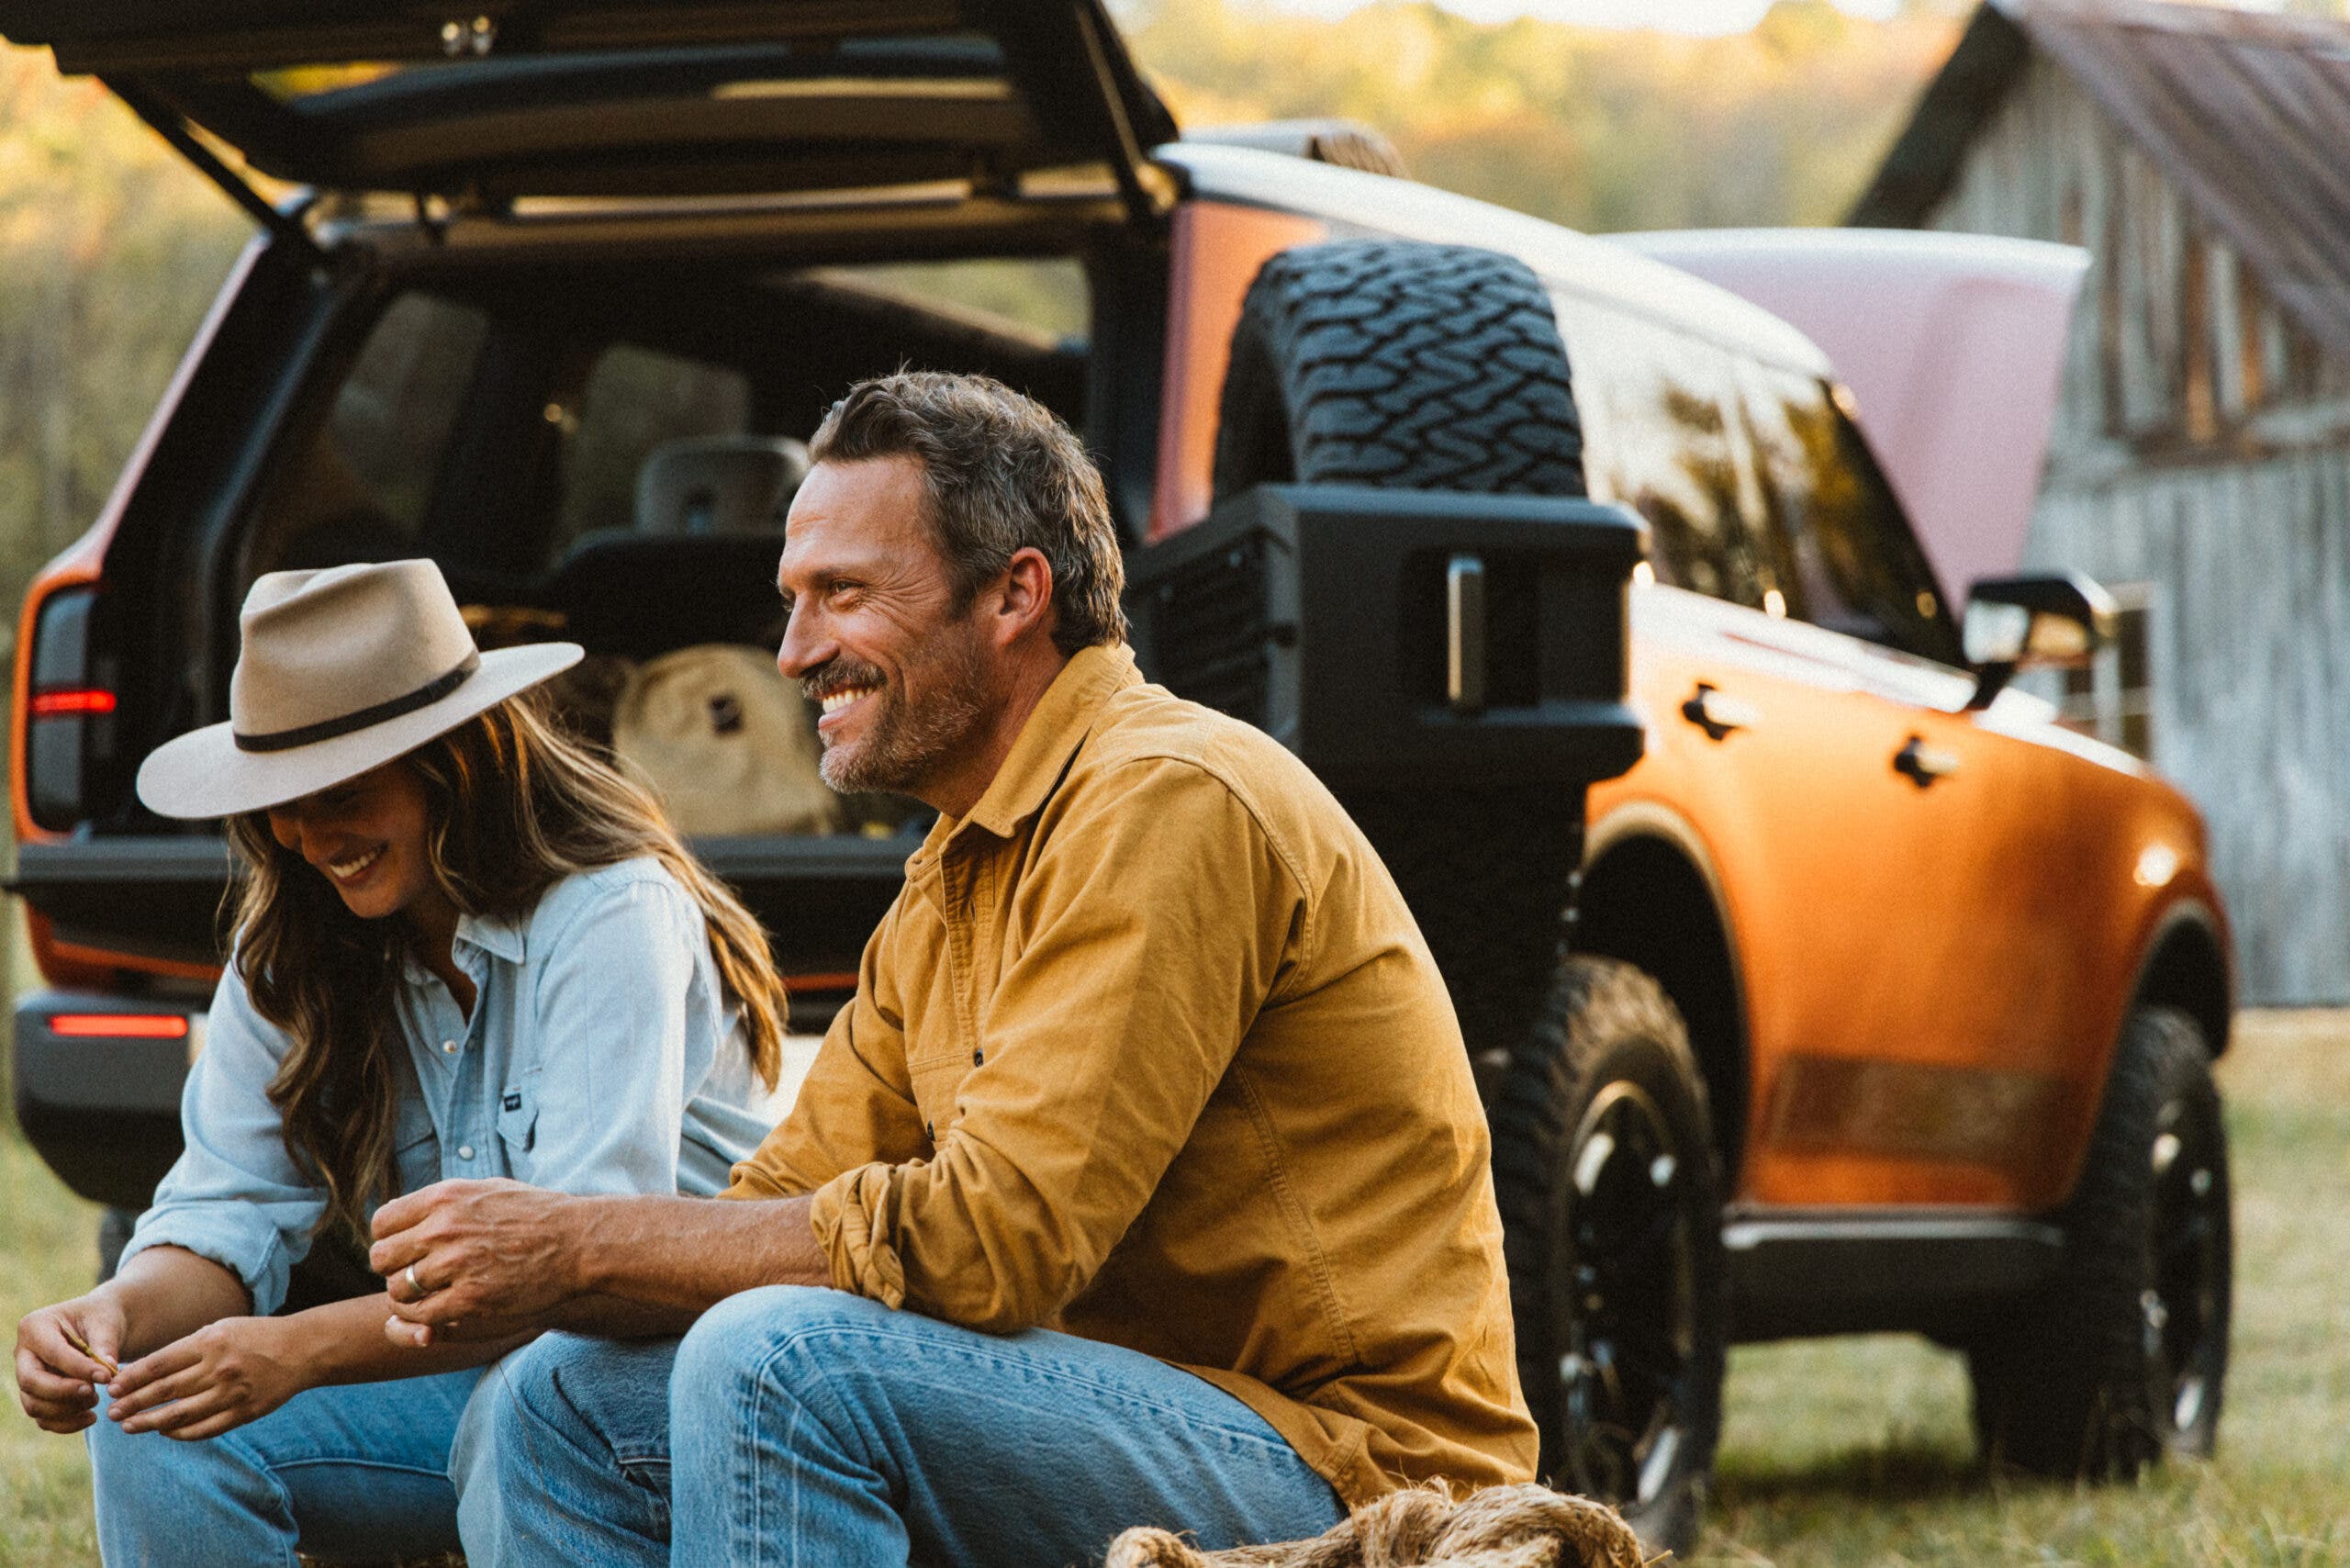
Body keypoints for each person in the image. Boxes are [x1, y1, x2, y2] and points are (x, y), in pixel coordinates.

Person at [369, 372, 1538, 1567]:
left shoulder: (1169, 799)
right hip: (1112, 1414)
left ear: (1015, 595)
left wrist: (580, 1244)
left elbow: (998, 1239)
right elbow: (768, 1213)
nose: (791, 653)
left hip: (1350, 1465)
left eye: (844, 595)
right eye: (790, 602)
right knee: (553, 1398)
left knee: (776, 1359)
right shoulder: (950, 879)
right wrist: (523, 1274)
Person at [10, 558, 790, 1565]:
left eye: (339, 789)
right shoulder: (291, 940)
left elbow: (575, 1272)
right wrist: (113, 1314)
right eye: (277, 800)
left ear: (453, 760)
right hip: (465, 1371)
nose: (304, 835)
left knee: (528, 1406)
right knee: (153, 1419)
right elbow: (224, 1210)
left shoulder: (610, 914)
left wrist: (299, 1349)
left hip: (644, 1381)